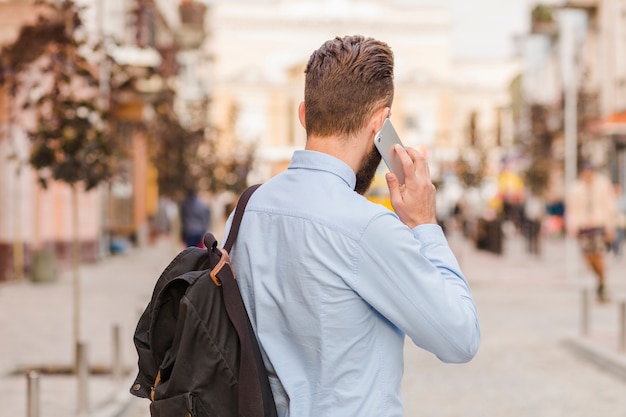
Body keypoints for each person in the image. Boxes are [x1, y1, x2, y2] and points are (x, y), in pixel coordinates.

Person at [226, 35, 480, 416]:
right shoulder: (368, 227)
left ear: (303, 114)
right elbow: (460, 338)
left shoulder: (246, 210)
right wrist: (425, 223)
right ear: (380, 123)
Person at [565, 162, 617, 302]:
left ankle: (602, 283)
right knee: (588, 257)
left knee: (598, 254)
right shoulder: (576, 187)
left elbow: (609, 207)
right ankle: (600, 280)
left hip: (599, 225)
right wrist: (572, 227)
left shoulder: (603, 184)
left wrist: (610, 228)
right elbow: (571, 209)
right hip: (583, 227)